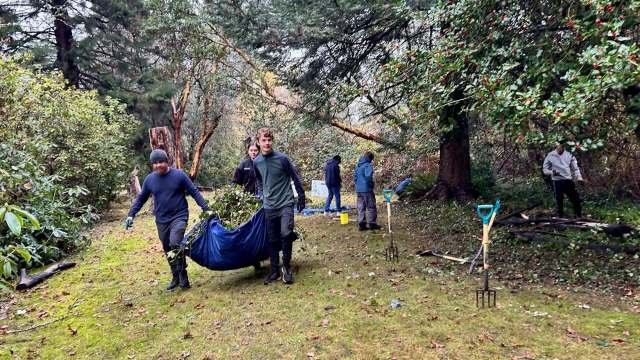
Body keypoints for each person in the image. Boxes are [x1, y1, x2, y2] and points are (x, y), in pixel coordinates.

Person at [123, 149, 209, 291]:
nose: (158, 165)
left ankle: (183, 275)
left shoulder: (179, 175)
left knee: (175, 242)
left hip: (179, 216)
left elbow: (193, 191)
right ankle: (175, 276)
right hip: (162, 219)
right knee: (167, 248)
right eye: (155, 163)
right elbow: (141, 198)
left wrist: (206, 208)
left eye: (161, 162)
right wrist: (131, 214)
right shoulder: (150, 179)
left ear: (167, 161)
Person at [254, 128, 306, 285]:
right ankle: (274, 270)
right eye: (264, 140)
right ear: (258, 142)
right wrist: (262, 195)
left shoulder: (282, 158)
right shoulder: (256, 162)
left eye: (269, 140)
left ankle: (286, 267)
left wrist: (301, 196)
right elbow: (259, 181)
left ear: (272, 141)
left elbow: (294, 176)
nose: (267, 143)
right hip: (269, 205)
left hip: (285, 203)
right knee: (272, 238)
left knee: (286, 233)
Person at [542, 142, 584, 218]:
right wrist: (554, 173)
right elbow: (545, 170)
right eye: (558, 146)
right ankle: (560, 217)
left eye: (562, 146)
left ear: (564, 147)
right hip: (557, 181)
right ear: (556, 146)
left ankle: (578, 216)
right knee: (559, 201)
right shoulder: (550, 155)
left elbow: (575, 168)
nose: (560, 148)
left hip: (568, 180)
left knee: (575, 199)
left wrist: (579, 177)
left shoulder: (569, 154)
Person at [354, 151, 381, 231]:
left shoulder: (358, 165)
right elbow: (368, 177)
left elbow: (355, 178)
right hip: (366, 189)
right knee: (371, 206)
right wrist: (371, 184)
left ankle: (362, 224)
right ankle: (372, 224)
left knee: (361, 207)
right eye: (372, 159)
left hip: (358, 189)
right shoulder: (367, 165)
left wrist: (358, 185)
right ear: (370, 158)